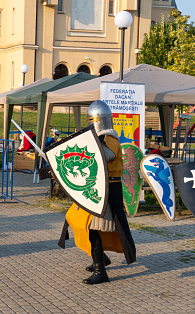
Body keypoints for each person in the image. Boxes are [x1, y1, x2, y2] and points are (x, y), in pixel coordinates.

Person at [58, 100, 136, 285]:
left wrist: (84, 147)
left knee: (92, 229)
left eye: (94, 120)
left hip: (106, 190)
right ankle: (101, 258)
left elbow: (103, 156)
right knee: (75, 219)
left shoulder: (110, 138)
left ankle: (101, 271)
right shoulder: (96, 138)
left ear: (102, 120)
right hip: (94, 188)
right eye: (90, 120)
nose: (92, 123)